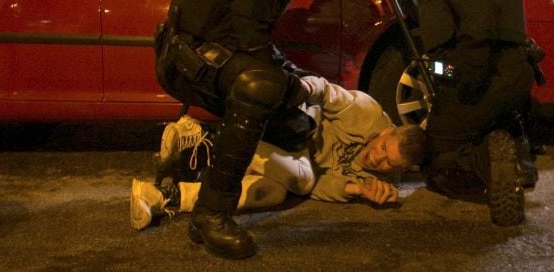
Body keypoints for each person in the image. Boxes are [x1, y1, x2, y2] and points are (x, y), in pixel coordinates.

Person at [153, 0, 363, 259]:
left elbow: (247, 35)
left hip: (195, 53)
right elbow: (252, 51)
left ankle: (194, 143)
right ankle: (211, 215)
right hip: (189, 63)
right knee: (262, 89)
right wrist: (294, 88)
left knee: (290, 117)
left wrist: (293, 80)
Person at [369, 0, 541, 227]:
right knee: (494, 114)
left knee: (438, 165)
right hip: (515, 68)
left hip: (476, 68)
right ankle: (518, 156)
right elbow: (449, 7)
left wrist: (470, 69)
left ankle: (492, 164)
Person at [130, 76, 425, 228]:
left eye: (388, 163)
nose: (378, 158)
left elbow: (317, 187)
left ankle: (165, 196)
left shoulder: (380, 178)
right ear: (387, 131)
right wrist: (298, 89)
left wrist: (359, 188)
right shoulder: (366, 113)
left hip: (292, 166)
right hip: (290, 129)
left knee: (273, 192)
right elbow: (324, 90)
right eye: (383, 148)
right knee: (303, 178)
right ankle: (205, 138)